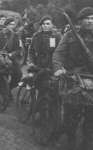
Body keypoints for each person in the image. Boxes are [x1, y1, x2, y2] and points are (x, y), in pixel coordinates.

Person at [53, 7, 93, 150]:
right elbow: (58, 54)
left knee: (90, 117)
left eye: (92, 19)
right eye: (87, 18)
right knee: (70, 116)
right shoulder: (70, 35)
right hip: (72, 77)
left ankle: (87, 142)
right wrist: (58, 68)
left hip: (90, 78)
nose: (90, 21)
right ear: (80, 21)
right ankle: (68, 137)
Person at [28, 15, 61, 96]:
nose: (45, 26)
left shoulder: (57, 36)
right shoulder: (36, 36)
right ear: (41, 25)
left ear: (52, 25)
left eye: (48, 24)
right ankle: (37, 104)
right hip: (39, 65)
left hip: (53, 65)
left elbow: (61, 52)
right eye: (43, 24)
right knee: (41, 89)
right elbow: (31, 51)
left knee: (54, 89)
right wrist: (31, 62)